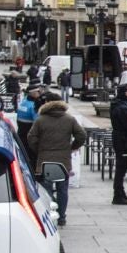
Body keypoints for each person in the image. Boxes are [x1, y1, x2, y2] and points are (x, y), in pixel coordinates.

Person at [24, 96, 88, 225]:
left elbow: (31, 137)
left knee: (46, 189)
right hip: (63, 160)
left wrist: (39, 149)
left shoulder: (40, 120)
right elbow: (81, 135)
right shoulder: (69, 119)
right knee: (62, 189)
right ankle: (62, 217)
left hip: (44, 160)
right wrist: (71, 148)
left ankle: (49, 214)